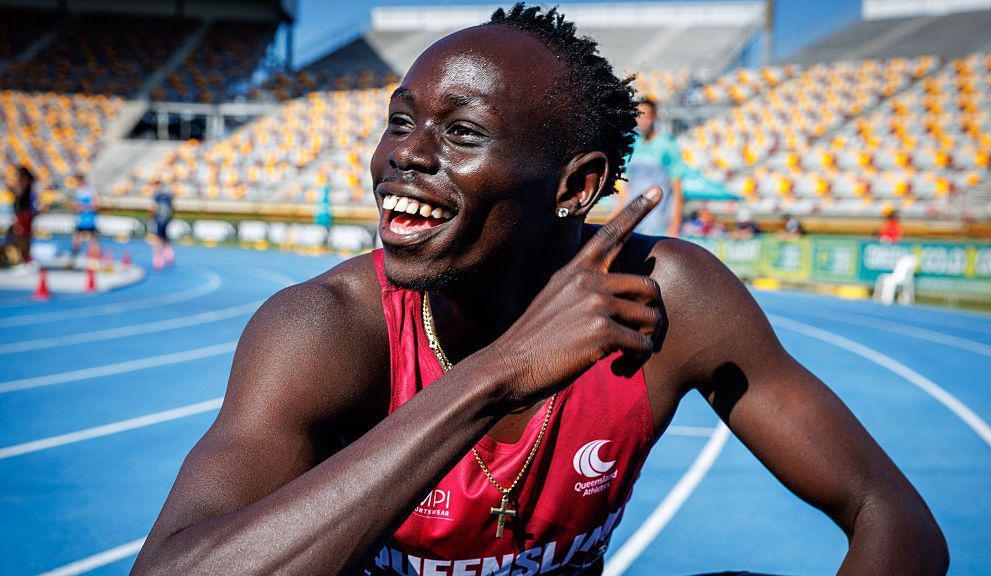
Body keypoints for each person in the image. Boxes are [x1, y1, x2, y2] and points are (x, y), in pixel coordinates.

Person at [132, 5, 947, 575]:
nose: (402, 157)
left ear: (576, 186)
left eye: (459, 132)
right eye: (400, 119)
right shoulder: (324, 330)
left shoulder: (672, 299)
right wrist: (499, 374)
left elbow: (895, 519)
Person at [616, 97, 685, 237]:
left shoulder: (667, 145)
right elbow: (626, 186)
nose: (642, 121)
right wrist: (617, 215)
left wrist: (675, 226)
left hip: (657, 222)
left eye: (646, 116)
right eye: (639, 116)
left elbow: (677, 190)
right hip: (630, 220)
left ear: (655, 117)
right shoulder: (631, 144)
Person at [7, 165, 38, 267]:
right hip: (24, 213)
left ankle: (25, 259)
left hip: (23, 214)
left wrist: (12, 189)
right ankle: (26, 259)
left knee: (22, 237)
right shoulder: (28, 182)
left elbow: (18, 193)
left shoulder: (23, 182)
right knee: (24, 237)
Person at [70, 173, 99, 260]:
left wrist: (83, 207)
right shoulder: (78, 190)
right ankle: (75, 257)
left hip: (89, 218)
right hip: (80, 218)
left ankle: (95, 258)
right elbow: (75, 206)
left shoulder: (91, 190)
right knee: (76, 238)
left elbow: (96, 205)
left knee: (92, 238)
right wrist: (75, 207)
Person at [150, 186, 175, 268]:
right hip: (166, 220)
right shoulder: (168, 198)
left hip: (159, 221)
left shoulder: (157, 197)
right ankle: (169, 257)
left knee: (158, 240)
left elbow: (154, 209)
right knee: (165, 239)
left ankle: (158, 261)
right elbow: (172, 209)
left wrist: (152, 218)